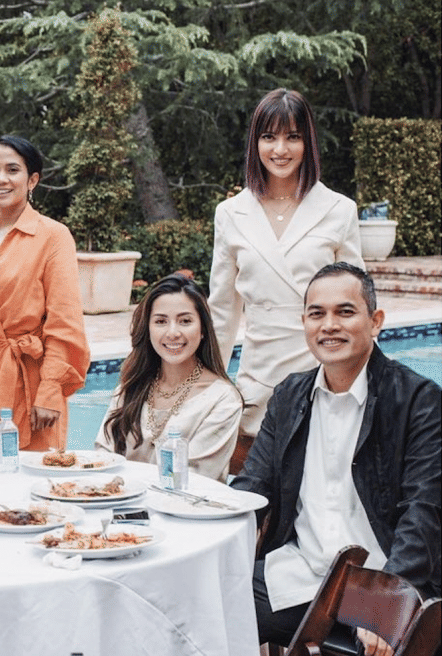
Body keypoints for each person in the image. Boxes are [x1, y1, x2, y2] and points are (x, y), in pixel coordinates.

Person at [232, 262, 440, 654]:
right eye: (317, 314)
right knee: (202, 604)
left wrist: (388, 602)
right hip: (299, 572)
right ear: (305, 324)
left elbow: (423, 511)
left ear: (375, 321)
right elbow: (250, 490)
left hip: (378, 579)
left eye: (345, 312)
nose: (329, 325)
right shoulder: (289, 395)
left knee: (378, 644)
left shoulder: (417, 400)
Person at [208, 89, 364, 447]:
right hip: (257, 383)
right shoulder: (230, 214)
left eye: (293, 137)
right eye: (269, 137)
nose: (280, 149)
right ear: (255, 143)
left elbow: (358, 305)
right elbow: (222, 313)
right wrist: (208, 385)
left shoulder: (339, 210)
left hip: (325, 376)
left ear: (308, 142)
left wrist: (367, 382)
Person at [0, 135, 89, 452]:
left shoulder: (53, 236)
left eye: (12, 170)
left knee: (36, 473)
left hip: (31, 382)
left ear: (32, 180)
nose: (1, 179)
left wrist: (51, 389)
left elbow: (65, 321)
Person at [95, 274, 241, 482]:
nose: (173, 333)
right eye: (161, 321)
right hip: (120, 500)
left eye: (185, 321)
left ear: (203, 330)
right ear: (148, 329)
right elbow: (102, 458)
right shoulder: (130, 387)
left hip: (187, 502)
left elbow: (193, 479)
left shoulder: (222, 400)